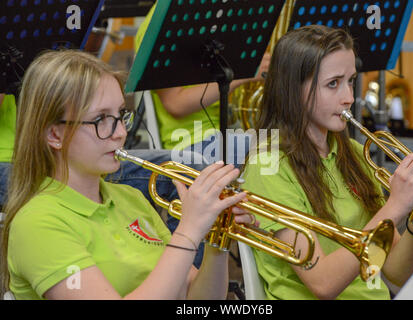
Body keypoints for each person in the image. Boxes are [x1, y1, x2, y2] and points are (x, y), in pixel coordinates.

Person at [0, 50, 256, 300]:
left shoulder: (131, 198)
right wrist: (188, 231)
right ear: (54, 135)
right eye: (101, 119)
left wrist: (216, 243)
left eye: (120, 115)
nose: (120, 132)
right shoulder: (38, 223)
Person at [241, 25, 413, 300]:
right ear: (293, 89)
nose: (349, 97)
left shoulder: (351, 152)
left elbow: (397, 273)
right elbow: (323, 283)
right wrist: (395, 206)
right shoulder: (268, 168)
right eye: (333, 84)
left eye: (350, 80)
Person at [134, 2, 271, 165]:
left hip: (224, 134)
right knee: (278, 151)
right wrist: (244, 74)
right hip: (189, 142)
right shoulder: (161, 21)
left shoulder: (213, 13)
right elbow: (175, 104)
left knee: (289, 143)